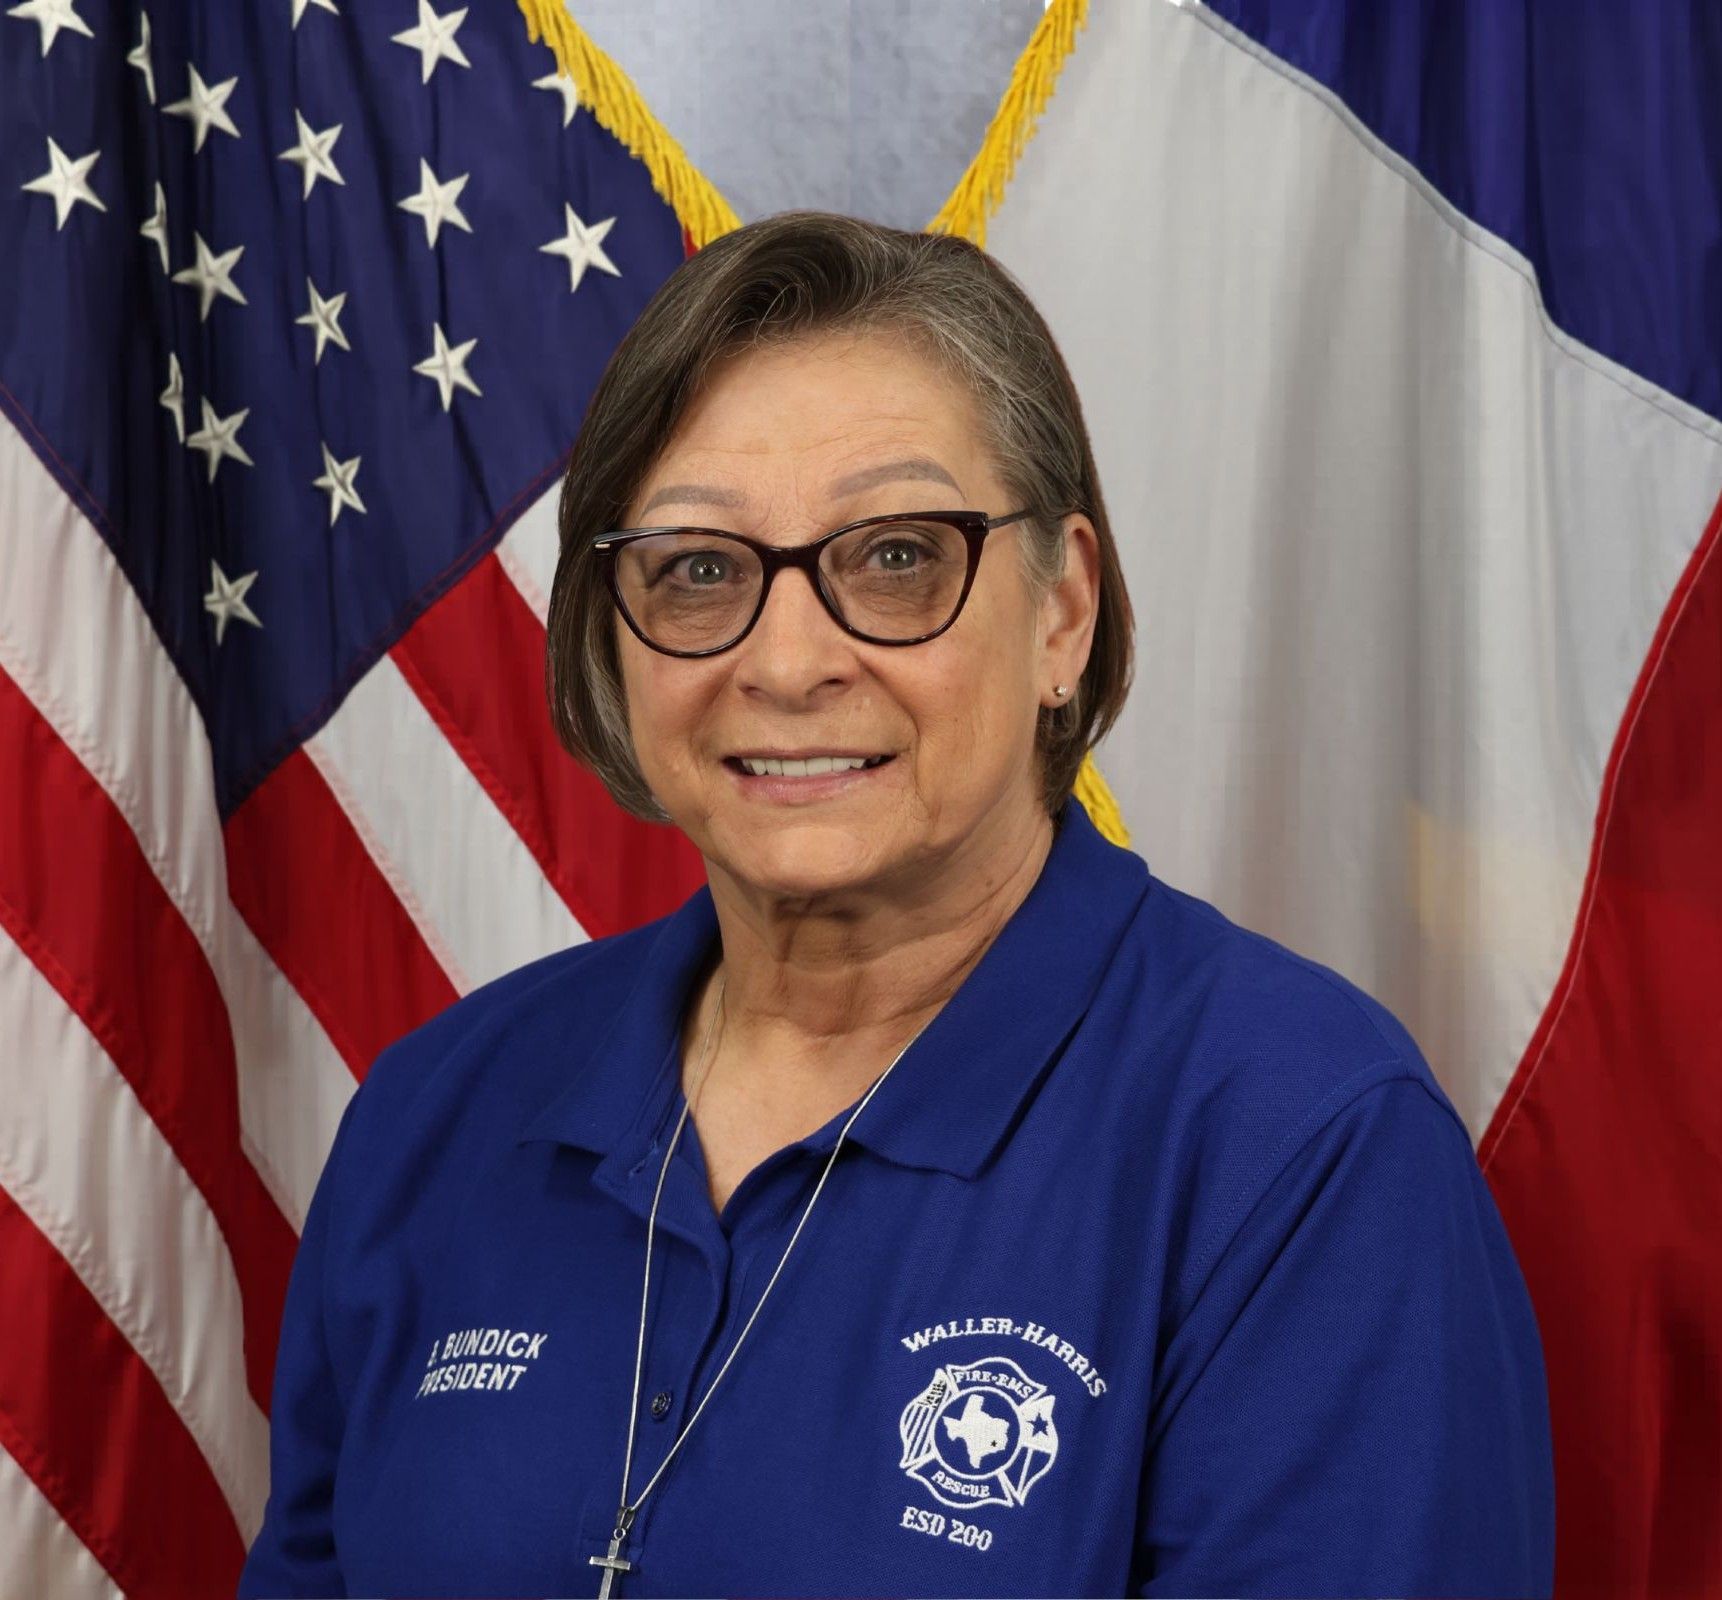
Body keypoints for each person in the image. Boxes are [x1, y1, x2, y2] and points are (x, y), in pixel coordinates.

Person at [238, 210, 1554, 1598]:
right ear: (610, 636)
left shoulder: (1302, 1152)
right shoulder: (438, 1111)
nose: (788, 660)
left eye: (895, 557)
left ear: (1062, 612)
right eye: (697, 570)